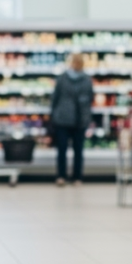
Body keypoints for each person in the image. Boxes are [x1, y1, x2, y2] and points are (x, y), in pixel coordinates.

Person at [50, 53, 93, 187]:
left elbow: (55, 98)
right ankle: (75, 177)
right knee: (75, 150)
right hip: (75, 118)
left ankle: (63, 176)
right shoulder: (85, 79)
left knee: (65, 150)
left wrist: (53, 114)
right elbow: (90, 98)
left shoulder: (63, 78)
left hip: (66, 117)